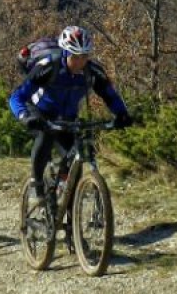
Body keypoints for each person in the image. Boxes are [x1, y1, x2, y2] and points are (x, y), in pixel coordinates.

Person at [9, 25, 132, 237]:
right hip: (39, 111)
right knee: (45, 136)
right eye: (75, 56)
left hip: (67, 119)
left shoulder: (92, 72)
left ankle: (70, 225)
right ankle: (38, 188)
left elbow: (109, 95)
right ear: (66, 52)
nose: (80, 61)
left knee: (74, 163)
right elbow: (17, 96)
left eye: (84, 56)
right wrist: (24, 116)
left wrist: (122, 115)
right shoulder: (49, 66)